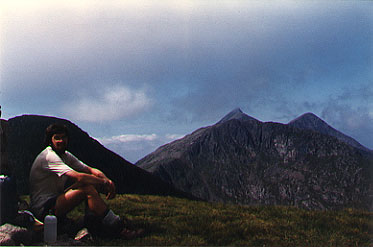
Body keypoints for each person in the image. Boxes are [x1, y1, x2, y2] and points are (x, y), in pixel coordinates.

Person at [29, 123, 143, 239]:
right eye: (57, 138)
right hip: (43, 209)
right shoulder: (49, 156)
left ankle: (94, 224)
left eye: (63, 137)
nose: (61, 141)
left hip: (54, 201)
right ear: (50, 140)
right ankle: (118, 227)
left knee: (89, 184)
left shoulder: (65, 155)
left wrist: (107, 180)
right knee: (87, 189)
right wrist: (105, 183)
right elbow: (79, 176)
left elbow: (90, 170)